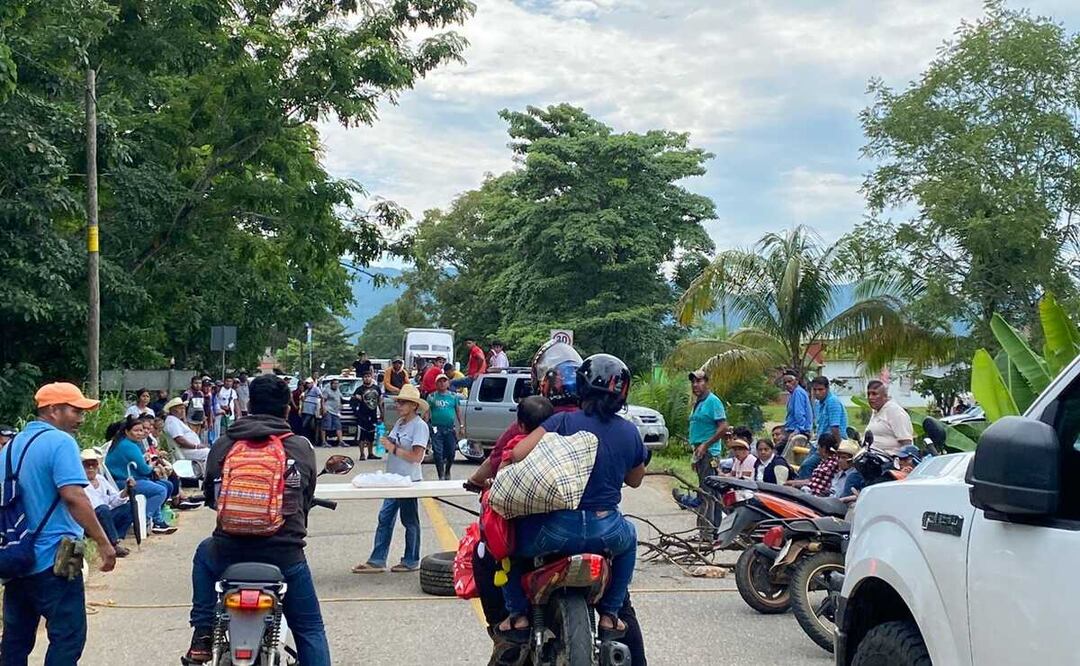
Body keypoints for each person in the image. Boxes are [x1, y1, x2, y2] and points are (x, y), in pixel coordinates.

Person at [185, 374, 331, 665]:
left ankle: (203, 633)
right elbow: (305, 496)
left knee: (203, 552)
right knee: (310, 629)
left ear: (249, 405)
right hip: (284, 554)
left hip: (227, 550)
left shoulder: (225, 444)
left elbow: (213, 498)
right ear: (288, 408)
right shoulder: (300, 447)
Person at [498, 354, 645, 638]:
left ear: (581, 386)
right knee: (630, 540)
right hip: (607, 530)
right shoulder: (630, 431)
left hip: (555, 530)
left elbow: (517, 454)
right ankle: (611, 614)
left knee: (509, 544)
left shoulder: (561, 421)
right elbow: (636, 480)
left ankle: (516, 615)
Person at [0, 383, 117, 665]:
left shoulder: (9, 448)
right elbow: (75, 496)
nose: (81, 418)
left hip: (16, 559)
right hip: (57, 559)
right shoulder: (61, 442)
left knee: (15, 642)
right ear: (53, 410)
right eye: (75, 410)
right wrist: (104, 542)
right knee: (68, 637)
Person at [352, 384, 429, 574]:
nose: (399, 405)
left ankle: (411, 559)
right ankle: (377, 560)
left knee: (409, 520)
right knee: (385, 517)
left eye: (403, 402)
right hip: (393, 479)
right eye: (398, 402)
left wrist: (393, 448)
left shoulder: (419, 426)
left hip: (408, 480)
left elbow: (416, 457)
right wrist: (387, 442)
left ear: (414, 405)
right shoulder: (400, 423)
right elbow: (392, 443)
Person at [105, 416, 176, 535]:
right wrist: (152, 466)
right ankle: (145, 519)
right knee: (160, 490)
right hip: (124, 482)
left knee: (163, 485)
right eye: (136, 430)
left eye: (141, 430)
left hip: (129, 478)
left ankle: (157, 521)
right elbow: (144, 470)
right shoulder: (128, 446)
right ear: (127, 431)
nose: (140, 433)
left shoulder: (126, 442)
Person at [682, 369, 728, 540]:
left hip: (709, 453)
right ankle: (715, 529)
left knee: (706, 493)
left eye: (699, 381)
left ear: (707, 382)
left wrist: (705, 445)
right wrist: (695, 453)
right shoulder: (698, 403)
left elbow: (723, 427)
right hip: (700, 452)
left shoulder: (713, 401)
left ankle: (706, 532)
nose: (696, 385)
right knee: (711, 492)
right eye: (693, 382)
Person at [80, 449, 133, 558]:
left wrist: (126, 490)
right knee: (103, 509)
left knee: (129, 507)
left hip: (106, 517)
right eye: (87, 465)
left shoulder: (101, 479)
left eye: (93, 465)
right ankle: (114, 544)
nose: (90, 468)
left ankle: (117, 537)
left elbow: (114, 500)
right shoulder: (79, 483)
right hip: (90, 522)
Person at [427, 374, 463, 480]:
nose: (442, 383)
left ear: (448, 383)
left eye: (444, 381)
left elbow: (458, 410)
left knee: (451, 452)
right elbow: (427, 412)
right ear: (436, 384)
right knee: (438, 453)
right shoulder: (432, 397)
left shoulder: (453, 396)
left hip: (449, 428)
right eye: (439, 381)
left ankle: (447, 470)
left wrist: (461, 425)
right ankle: (441, 475)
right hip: (436, 428)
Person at [865, 380, 914, 455]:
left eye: (874, 394)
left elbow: (907, 442)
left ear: (885, 396)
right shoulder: (876, 411)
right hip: (873, 458)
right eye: (868, 394)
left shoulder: (895, 411)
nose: (870, 397)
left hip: (890, 461)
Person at [787, 432, 840, 497]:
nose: (817, 449)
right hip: (810, 491)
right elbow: (812, 480)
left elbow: (816, 484)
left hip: (816, 496)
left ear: (823, 448)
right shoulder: (824, 461)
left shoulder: (833, 464)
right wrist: (792, 482)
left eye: (818, 446)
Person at [163, 397, 212, 465]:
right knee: (209, 453)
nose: (183, 410)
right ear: (173, 410)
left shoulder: (176, 420)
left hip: (189, 449)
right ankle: (207, 474)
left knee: (210, 451)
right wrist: (195, 446)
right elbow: (180, 440)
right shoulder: (172, 421)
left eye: (183, 408)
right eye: (180, 408)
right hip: (184, 450)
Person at [351, 372, 383, 460]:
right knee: (361, 436)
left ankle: (370, 453)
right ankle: (362, 454)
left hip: (373, 414)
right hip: (362, 415)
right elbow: (353, 402)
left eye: (369, 377)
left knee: (371, 435)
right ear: (362, 378)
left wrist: (382, 413)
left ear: (371, 378)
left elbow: (380, 401)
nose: (367, 378)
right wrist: (356, 399)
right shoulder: (359, 389)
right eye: (365, 377)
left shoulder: (376, 388)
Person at [782, 371, 812, 454]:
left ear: (796, 381)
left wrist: (797, 431)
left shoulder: (798, 392)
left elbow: (799, 414)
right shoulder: (793, 394)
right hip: (792, 429)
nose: (787, 384)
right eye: (785, 383)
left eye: (789, 381)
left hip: (798, 431)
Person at [811, 375, 847, 442]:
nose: (817, 392)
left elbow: (835, 428)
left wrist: (840, 447)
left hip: (834, 442)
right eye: (814, 390)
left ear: (827, 389)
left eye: (820, 389)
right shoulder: (818, 403)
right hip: (822, 442)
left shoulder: (832, 401)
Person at [320, 378, 344, 448]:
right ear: (331, 384)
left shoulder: (338, 390)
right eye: (335, 383)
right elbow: (323, 400)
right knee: (325, 426)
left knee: (338, 426)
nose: (336, 385)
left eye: (337, 383)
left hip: (336, 412)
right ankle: (324, 442)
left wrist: (341, 405)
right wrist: (323, 408)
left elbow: (339, 398)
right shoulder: (327, 391)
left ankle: (341, 442)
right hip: (328, 410)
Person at [300, 378, 322, 444]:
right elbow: (303, 399)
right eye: (307, 383)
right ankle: (307, 439)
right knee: (307, 425)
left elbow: (321, 397)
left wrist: (320, 407)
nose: (308, 385)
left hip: (312, 410)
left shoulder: (316, 389)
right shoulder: (306, 390)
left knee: (306, 424)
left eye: (309, 383)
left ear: (312, 383)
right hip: (306, 409)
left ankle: (312, 439)